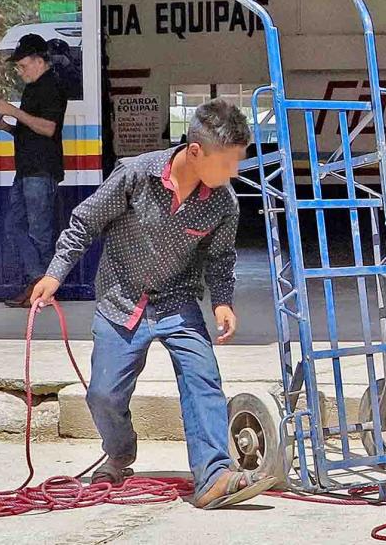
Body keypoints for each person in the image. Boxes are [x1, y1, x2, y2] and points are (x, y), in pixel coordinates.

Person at [30, 99, 273, 509]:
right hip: (120, 297)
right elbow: (84, 223)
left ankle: (213, 474)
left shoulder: (223, 202)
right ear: (196, 152)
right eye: (228, 162)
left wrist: (223, 302)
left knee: (203, 379)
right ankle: (120, 453)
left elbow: (219, 258)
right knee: (103, 396)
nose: (234, 172)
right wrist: (55, 274)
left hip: (178, 300)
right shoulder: (135, 176)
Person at [0, 34, 68, 307]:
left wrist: (13, 111)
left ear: (39, 60)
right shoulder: (32, 88)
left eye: (23, 65)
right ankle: (38, 280)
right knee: (14, 226)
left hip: (41, 170)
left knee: (40, 232)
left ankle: (44, 290)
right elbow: (30, 131)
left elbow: (48, 128)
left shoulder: (52, 86)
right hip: (25, 169)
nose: (20, 70)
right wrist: (8, 127)